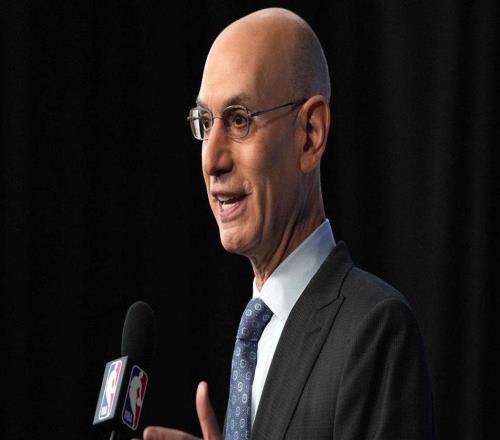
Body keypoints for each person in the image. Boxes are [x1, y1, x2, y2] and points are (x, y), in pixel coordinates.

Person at [136, 7, 435, 440]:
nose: (212, 160)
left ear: (310, 134)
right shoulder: (255, 333)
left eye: (239, 120)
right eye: (205, 123)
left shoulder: (374, 331)